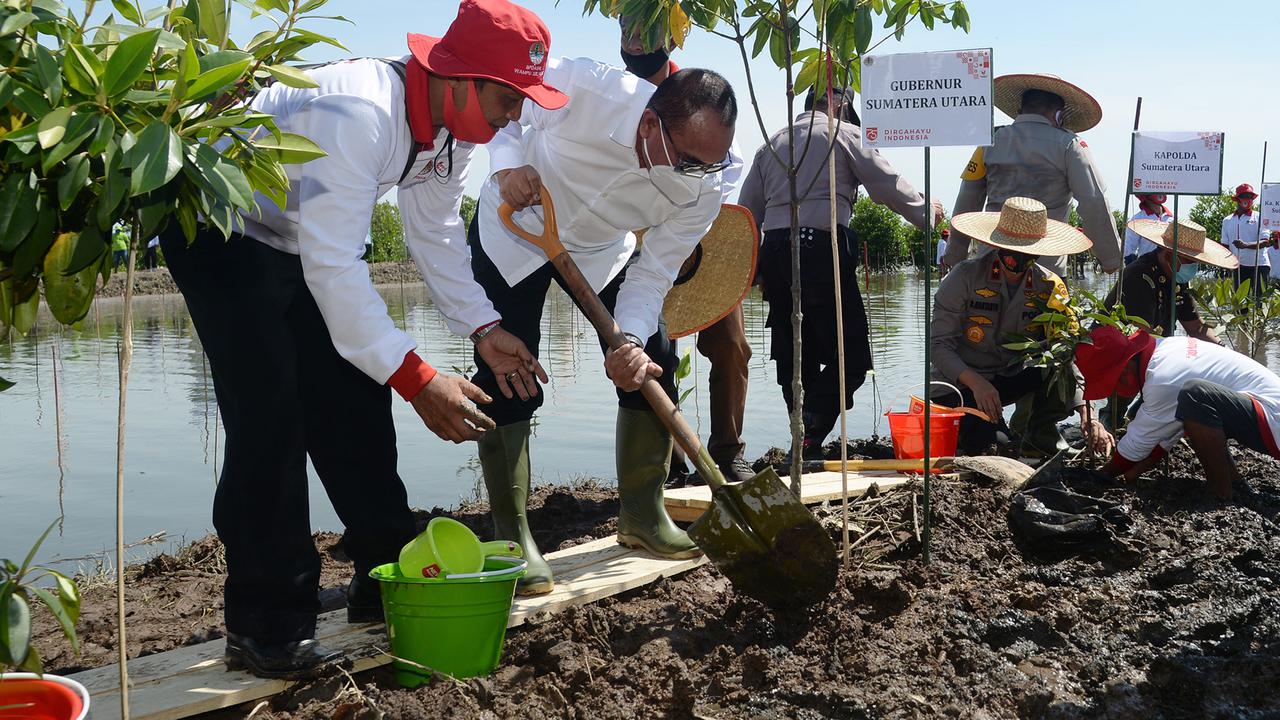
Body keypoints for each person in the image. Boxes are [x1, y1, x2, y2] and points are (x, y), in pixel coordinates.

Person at [159, 0, 563, 678]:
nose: (513, 118)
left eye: (522, 102)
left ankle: (383, 575)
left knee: (354, 403)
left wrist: (485, 327)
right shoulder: (360, 113)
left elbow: (434, 234)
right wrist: (416, 376)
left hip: (295, 237)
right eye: (507, 99)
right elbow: (336, 269)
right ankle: (268, 623)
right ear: (459, 78)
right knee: (271, 418)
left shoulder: (455, 133)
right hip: (219, 227)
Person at [466, 60, 737, 595]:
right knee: (510, 369)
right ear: (648, 126)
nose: (699, 176)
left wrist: (630, 341)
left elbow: (656, 270)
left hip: (597, 253)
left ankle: (642, 514)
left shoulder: (710, 181)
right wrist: (507, 166)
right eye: (688, 160)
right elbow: (506, 110)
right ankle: (511, 535)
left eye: (712, 163)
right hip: (517, 229)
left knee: (654, 356)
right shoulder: (582, 87)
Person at [739, 87, 943, 459]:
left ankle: (802, 435)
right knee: (850, 354)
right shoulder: (843, 133)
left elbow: (747, 215)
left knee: (793, 350)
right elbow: (888, 185)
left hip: (775, 253)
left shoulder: (771, 144)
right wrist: (928, 213)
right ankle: (810, 436)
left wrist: (749, 274)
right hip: (822, 249)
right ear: (840, 104)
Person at [617, 15, 753, 483]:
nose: (635, 42)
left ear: (670, 38)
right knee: (655, 353)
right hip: (639, 256)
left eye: (644, 31)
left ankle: (728, 450)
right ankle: (672, 459)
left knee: (732, 347)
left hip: (704, 250)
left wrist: (697, 224)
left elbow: (726, 171)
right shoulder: (614, 99)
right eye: (628, 33)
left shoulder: (700, 100)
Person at [930, 197, 1113, 457]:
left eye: (1027, 253)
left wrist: (1088, 413)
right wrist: (976, 383)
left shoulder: (1048, 286)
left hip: (1007, 377)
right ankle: (990, 425)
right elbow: (938, 345)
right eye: (1011, 251)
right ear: (996, 245)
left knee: (1056, 368)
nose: (1016, 261)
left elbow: (1066, 353)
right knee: (988, 445)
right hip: (958, 383)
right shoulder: (964, 277)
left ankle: (1039, 434)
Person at [943, 73, 1122, 278]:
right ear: (1058, 116)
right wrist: (1111, 259)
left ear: (1021, 110)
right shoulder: (1069, 145)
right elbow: (1093, 202)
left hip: (992, 263)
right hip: (1046, 268)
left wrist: (954, 255)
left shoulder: (990, 141)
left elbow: (967, 202)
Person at [1077, 325, 1280, 501]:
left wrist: (1103, 474)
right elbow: (1172, 428)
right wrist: (1136, 470)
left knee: (1196, 395)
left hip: (1273, 421)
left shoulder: (1162, 378)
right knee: (1196, 404)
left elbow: (1137, 444)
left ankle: (1220, 492)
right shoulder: (1167, 348)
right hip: (1266, 408)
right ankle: (1235, 482)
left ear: (1125, 371)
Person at [1100, 218, 1238, 429]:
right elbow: (1142, 337)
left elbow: (1196, 327)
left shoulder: (1177, 279)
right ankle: (1111, 422)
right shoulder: (1140, 276)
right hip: (1122, 350)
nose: (1194, 268)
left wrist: (1224, 352)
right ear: (1168, 255)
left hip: (1151, 348)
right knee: (1141, 380)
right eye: (1190, 262)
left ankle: (1140, 418)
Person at [1223, 183, 1274, 296]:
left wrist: (1245, 245)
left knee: (1260, 302)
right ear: (1237, 199)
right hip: (1238, 266)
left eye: (1250, 197)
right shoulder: (1227, 220)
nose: (1248, 199)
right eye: (1244, 196)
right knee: (1240, 304)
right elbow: (1225, 245)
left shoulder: (1260, 217)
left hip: (1259, 265)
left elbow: (1265, 241)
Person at [1123, 193, 1171, 265]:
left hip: (1169, 267)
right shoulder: (1138, 219)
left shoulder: (1172, 219)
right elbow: (1128, 248)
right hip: (1147, 267)